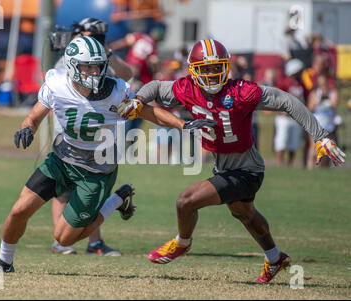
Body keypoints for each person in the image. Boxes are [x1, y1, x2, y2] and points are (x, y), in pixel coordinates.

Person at [0, 36, 213, 272]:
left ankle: (117, 200)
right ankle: (4, 262)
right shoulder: (57, 84)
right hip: (62, 159)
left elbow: (149, 112)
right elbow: (34, 116)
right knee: (19, 210)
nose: (93, 71)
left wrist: (183, 125)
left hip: (96, 171)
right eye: (87, 66)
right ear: (71, 66)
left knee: (64, 239)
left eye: (97, 65)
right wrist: (27, 129)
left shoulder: (115, 91)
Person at [118, 38, 346, 283]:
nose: (213, 74)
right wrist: (139, 99)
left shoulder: (241, 91)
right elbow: (153, 86)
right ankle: (274, 257)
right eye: (205, 69)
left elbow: (286, 101)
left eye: (217, 67)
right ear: (193, 70)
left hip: (247, 169)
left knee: (186, 201)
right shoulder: (186, 88)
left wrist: (320, 136)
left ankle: (182, 243)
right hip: (224, 167)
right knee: (244, 212)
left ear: (226, 67)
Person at [51, 18, 133, 255]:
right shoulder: (68, 59)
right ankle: (61, 241)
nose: (92, 41)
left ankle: (94, 243)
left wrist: (105, 51)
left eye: (96, 37)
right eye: (87, 36)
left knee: (90, 194)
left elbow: (128, 75)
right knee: (64, 191)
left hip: (98, 138)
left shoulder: (101, 60)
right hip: (68, 136)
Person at [274, 59, 306, 167]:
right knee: (282, 141)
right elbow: (276, 98)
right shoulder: (284, 82)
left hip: (296, 117)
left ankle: (290, 165)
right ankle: (280, 164)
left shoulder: (301, 83)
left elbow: (305, 97)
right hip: (284, 117)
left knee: (294, 142)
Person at [306, 74, 339, 169]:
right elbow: (310, 108)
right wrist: (318, 102)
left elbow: (334, 104)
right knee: (313, 147)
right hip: (317, 123)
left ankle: (325, 169)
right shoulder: (315, 94)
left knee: (329, 148)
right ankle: (310, 168)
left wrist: (326, 97)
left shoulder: (332, 92)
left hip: (328, 124)